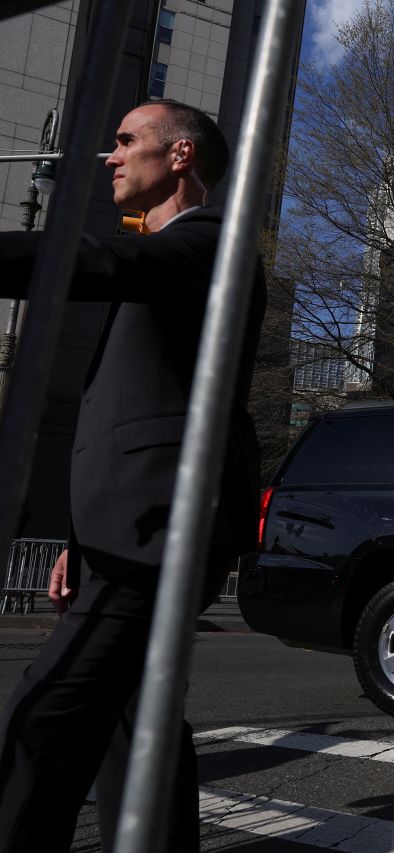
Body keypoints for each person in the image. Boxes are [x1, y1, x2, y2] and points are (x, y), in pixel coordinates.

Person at [0, 99, 265, 852]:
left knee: (44, 719)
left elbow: (101, 262)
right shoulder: (170, 257)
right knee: (135, 728)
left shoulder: (213, 242)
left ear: (179, 156)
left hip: (163, 532)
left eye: (125, 142)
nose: (110, 158)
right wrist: (80, 542)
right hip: (126, 535)